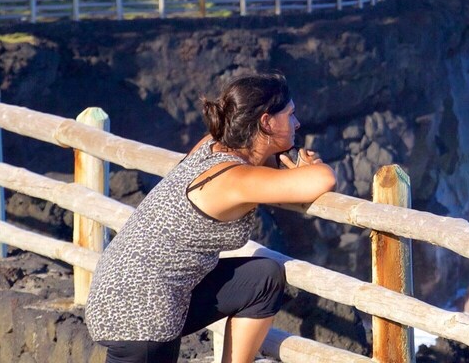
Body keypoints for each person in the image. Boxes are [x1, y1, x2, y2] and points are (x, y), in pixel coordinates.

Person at [85, 73, 336, 362]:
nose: (298, 123)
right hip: (140, 317)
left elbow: (259, 166)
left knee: (262, 278)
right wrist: (307, 167)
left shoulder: (212, 145)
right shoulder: (235, 179)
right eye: (290, 114)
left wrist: (282, 165)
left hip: (118, 295)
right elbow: (323, 179)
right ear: (266, 122)